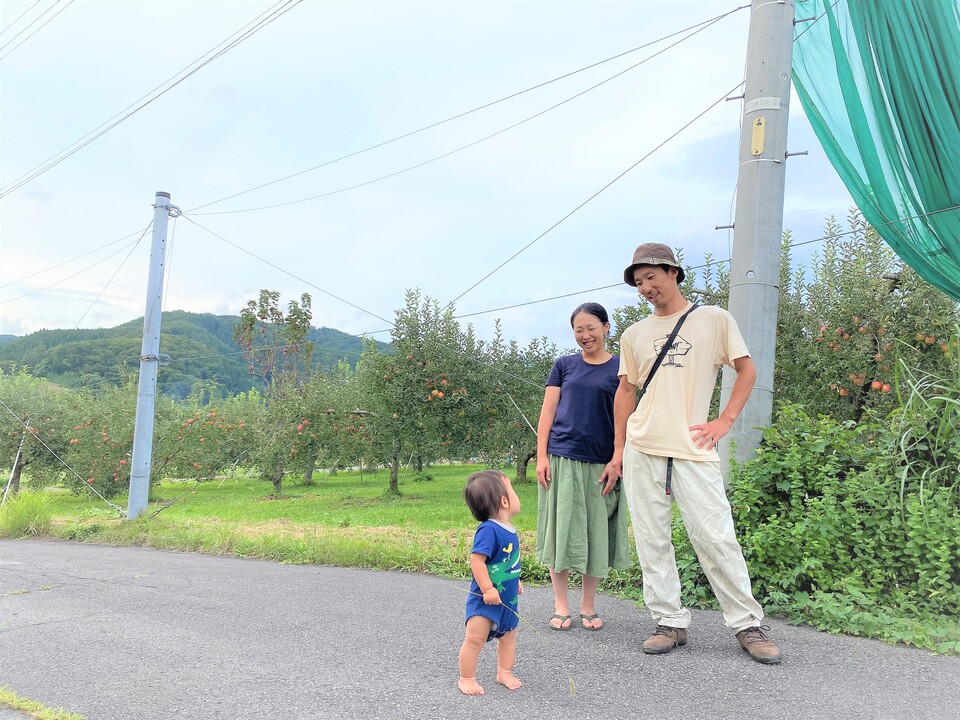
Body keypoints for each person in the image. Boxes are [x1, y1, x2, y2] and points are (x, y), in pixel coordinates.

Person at [612, 242, 782, 665]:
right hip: (643, 446)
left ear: (672, 272)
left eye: (651, 277)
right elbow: (626, 391)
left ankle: (747, 624)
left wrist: (724, 421)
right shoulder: (634, 334)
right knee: (652, 541)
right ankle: (669, 621)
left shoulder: (713, 319)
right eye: (638, 282)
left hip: (693, 447)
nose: (645, 287)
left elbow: (747, 369)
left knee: (716, 536)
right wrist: (619, 448)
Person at [535, 302, 631, 631]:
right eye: (578, 330)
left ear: (606, 328)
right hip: (561, 457)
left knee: (595, 533)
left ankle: (588, 605)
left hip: (601, 463)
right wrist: (542, 455)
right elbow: (547, 412)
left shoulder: (621, 368)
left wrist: (618, 458)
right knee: (559, 531)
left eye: (591, 328)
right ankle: (561, 604)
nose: (585, 335)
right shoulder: (563, 365)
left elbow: (626, 418)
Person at [458, 469, 523, 695]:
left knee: (508, 636)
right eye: (513, 490)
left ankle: (504, 672)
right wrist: (487, 588)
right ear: (504, 501)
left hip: (507, 597)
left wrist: (516, 579)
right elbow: (477, 560)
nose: (517, 494)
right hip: (485, 600)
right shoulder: (488, 529)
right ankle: (466, 677)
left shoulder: (509, 529)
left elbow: (507, 560)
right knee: (475, 638)